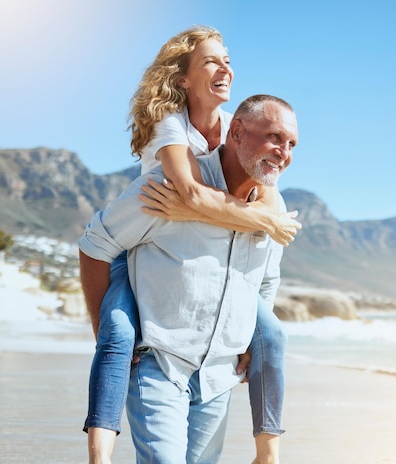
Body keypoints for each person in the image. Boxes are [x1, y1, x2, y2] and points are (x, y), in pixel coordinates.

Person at [82, 26, 300, 464]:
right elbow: (191, 193)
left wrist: (243, 334)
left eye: (228, 60)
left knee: (271, 330)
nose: (225, 69)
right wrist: (100, 325)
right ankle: (98, 454)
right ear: (183, 78)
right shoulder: (170, 133)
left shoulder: (238, 143)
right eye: (211, 61)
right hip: (155, 325)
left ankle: (269, 452)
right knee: (119, 331)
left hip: (216, 374)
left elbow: (264, 274)